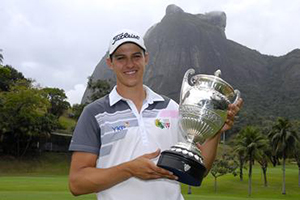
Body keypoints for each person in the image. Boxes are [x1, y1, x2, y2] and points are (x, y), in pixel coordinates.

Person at [68, 29, 243, 200]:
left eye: (136, 56)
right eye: (121, 58)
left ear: (146, 58)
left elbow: (198, 170)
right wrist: (129, 169)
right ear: (110, 63)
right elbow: (77, 183)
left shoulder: (172, 108)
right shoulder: (94, 113)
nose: (130, 64)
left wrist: (215, 130)